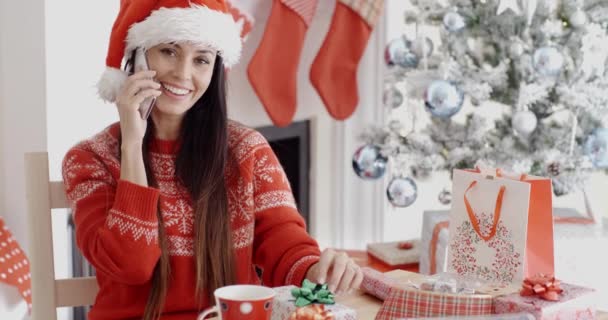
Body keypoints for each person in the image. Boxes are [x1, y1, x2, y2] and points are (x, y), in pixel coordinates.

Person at [61, 1, 363, 320]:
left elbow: (285, 245)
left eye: (201, 59)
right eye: (168, 51)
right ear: (137, 56)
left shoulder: (247, 151)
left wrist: (318, 271)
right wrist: (132, 144)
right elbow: (131, 266)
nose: (183, 74)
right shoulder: (90, 159)